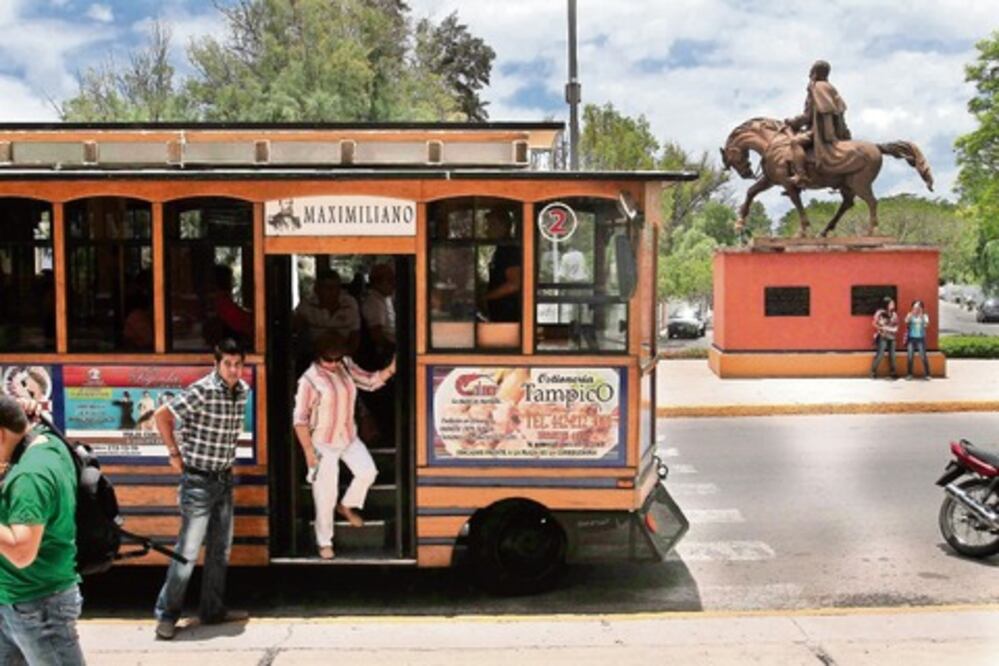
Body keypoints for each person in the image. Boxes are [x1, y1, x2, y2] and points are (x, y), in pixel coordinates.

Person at [152, 338, 250, 640]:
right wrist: (174, 453)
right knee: (187, 551)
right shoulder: (203, 390)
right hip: (197, 480)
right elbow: (162, 415)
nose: (233, 370)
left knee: (220, 550)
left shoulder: (243, 392)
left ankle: (212, 610)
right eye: (227, 364)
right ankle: (167, 615)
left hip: (223, 479)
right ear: (216, 364)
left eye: (238, 364)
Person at [292, 333, 395, 560]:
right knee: (325, 494)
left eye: (337, 358)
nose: (334, 364)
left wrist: (390, 369)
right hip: (323, 442)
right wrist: (308, 451)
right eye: (329, 360)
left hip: (348, 437)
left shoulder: (346, 365)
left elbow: (369, 381)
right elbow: (299, 420)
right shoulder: (308, 380)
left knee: (368, 472)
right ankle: (324, 542)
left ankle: (346, 505)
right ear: (319, 357)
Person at [0, 396, 86, 665]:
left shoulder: (29, 477)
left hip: (36, 606)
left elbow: (21, 552)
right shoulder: (47, 442)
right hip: (15, 600)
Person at [784, 60, 852, 187]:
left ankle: (800, 175)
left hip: (819, 131)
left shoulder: (815, 88)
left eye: (811, 72)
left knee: (795, 142)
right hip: (838, 131)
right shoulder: (831, 88)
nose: (809, 75)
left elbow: (808, 116)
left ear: (814, 73)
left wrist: (792, 122)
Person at [293, 271, 361, 357]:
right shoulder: (307, 304)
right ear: (317, 289)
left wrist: (346, 353)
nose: (331, 291)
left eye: (335, 287)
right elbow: (296, 329)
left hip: (343, 353)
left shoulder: (350, 304)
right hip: (314, 354)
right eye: (326, 287)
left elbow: (355, 335)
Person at [482, 210, 521, 323]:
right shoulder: (501, 249)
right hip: (499, 314)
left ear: (503, 226)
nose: (487, 230)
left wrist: (486, 297)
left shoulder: (510, 250)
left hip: (508, 315)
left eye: (491, 225)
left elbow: (514, 284)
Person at [205, 265, 253, 349]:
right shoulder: (221, 301)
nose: (232, 282)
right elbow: (240, 322)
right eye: (231, 279)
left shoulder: (221, 299)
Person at [870, 297, 899, 379]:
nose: (893, 305)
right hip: (882, 337)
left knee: (892, 355)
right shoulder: (880, 313)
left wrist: (888, 328)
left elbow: (896, 327)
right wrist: (882, 328)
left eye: (893, 303)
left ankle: (893, 373)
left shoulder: (894, 314)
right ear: (887, 304)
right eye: (891, 303)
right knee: (880, 354)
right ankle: (873, 371)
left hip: (892, 337)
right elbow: (874, 323)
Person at [905, 300, 931, 380]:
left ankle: (927, 374)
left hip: (920, 338)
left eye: (918, 307)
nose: (916, 308)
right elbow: (906, 321)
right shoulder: (910, 314)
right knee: (910, 356)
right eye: (914, 307)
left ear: (921, 308)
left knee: (923, 356)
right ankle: (909, 374)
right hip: (911, 338)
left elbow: (926, 325)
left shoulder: (924, 316)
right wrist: (911, 315)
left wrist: (921, 316)